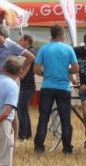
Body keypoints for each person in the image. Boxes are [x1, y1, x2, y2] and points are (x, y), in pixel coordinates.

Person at [33, 25, 80, 155]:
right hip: (63, 87)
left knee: (43, 118)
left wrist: (45, 73)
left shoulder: (43, 49)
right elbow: (76, 69)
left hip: (47, 86)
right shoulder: (68, 49)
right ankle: (67, 148)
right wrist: (66, 71)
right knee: (65, 119)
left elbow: (36, 69)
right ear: (62, 35)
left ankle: (39, 147)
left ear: (51, 35)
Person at [16, 34, 38, 140]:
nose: (19, 43)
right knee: (23, 109)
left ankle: (23, 134)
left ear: (26, 41)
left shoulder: (31, 52)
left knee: (21, 109)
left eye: (21, 40)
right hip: (26, 85)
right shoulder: (29, 52)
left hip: (27, 85)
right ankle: (27, 133)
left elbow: (29, 61)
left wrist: (20, 69)